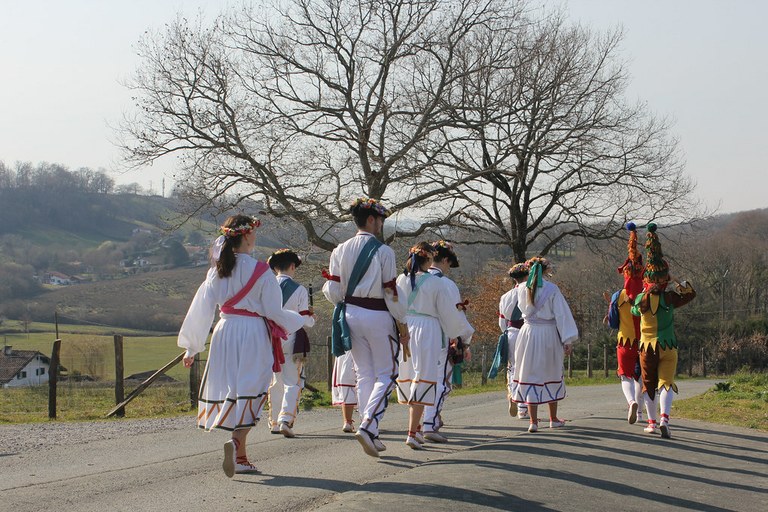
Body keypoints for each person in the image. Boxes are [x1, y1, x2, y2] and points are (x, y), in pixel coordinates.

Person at [178, 215, 304, 477]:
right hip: (252, 333)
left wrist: (192, 347)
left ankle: (240, 455)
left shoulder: (216, 270)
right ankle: (237, 446)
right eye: (254, 232)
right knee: (253, 389)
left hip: (224, 331)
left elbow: (201, 308)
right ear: (247, 235)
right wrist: (299, 319)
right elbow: (273, 311)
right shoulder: (261, 271)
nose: (255, 237)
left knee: (233, 389)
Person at [322, 197, 406, 458]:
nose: (381, 224)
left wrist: (345, 303)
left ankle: (370, 428)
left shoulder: (340, 250)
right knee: (388, 373)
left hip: (350, 314)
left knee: (365, 373)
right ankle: (369, 425)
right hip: (378, 314)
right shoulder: (384, 251)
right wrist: (402, 323)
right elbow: (391, 293)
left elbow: (333, 290)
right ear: (371, 219)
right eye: (380, 219)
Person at [396, 242, 474, 449]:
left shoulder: (401, 279)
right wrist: (460, 337)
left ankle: (416, 429)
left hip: (405, 329)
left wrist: (398, 331)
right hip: (428, 329)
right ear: (429, 259)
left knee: (411, 376)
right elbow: (449, 315)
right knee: (425, 378)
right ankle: (415, 431)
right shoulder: (439, 284)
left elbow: (393, 306)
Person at [631, 223, 696, 439]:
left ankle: (650, 422)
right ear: (665, 278)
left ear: (647, 279)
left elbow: (633, 309)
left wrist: (646, 289)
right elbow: (690, 293)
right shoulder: (670, 298)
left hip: (647, 347)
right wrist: (676, 281)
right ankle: (664, 419)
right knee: (666, 383)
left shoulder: (641, 299)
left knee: (648, 385)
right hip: (669, 345)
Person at [509, 256, 579, 433]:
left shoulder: (521, 288)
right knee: (550, 372)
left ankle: (533, 421)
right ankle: (553, 419)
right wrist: (567, 339)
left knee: (530, 373)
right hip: (548, 333)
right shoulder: (552, 289)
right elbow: (562, 315)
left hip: (528, 333)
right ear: (546, 270)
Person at [422, 240, 471, 442]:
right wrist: (464, 339)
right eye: (449, 263)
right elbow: (455, 316)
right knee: (440, 381)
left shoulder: (414, 278)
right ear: (443, 259)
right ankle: (429, 424)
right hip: (439, 334)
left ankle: (416, 424)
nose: (449, 268)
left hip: (414, 334)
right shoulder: (445, 284)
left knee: (420, 378)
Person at [266, 249, 316, 438]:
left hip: (270, 338)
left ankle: (273, 422)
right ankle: (285, 419)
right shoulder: (300, 289)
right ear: (292, 266)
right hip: (292, 337)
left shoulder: (267, 287)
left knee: (275, 381)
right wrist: (312, 317)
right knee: (292, 381)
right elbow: (304, 320)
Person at [603, 223, 645, 425]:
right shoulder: (648, 296)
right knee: (641, 378)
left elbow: (613, 323)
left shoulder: (617, 296)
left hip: (625, 342)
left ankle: (630, 403)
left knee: (625, 376)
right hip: (645, 341)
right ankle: (640, 414)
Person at [494, 262, 530, 420]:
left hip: (511, 332)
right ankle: (523, 407)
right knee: (526, 367)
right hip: (528, 331)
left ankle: (512, 394)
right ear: (527, 276)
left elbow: (502, 322)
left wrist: (507, 333)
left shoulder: (505, 296)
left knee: (512, 368)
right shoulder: (529, 293)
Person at [331, 352, 359, 433]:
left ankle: (347, 422)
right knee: (365, 383)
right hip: (360, 349)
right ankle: (366, 421)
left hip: (344, 350)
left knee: (346, 384)